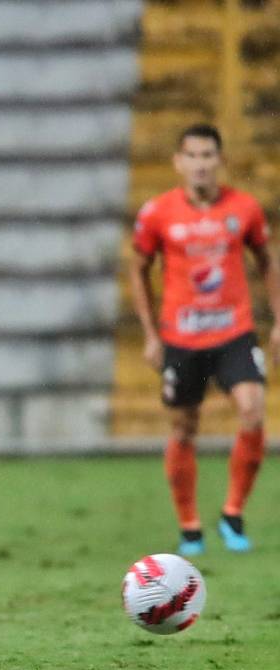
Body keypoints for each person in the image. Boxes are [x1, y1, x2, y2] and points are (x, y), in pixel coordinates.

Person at [128, 123, 280, 556]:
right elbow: (138, 268)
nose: (200, 164)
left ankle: (233, 514)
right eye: (191, 156)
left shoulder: (244, 209)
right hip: (181, 337)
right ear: (178, 162)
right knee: (184, 426)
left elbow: (267, 262)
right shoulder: (158, 213)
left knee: (252, 410)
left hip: (234, 332)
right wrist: (150, 334)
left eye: (208, 155)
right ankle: (190, 527)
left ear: (220, 160)